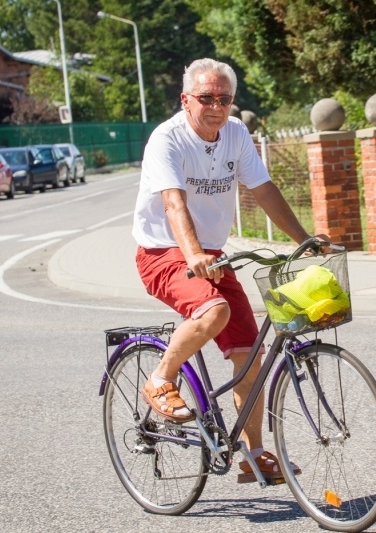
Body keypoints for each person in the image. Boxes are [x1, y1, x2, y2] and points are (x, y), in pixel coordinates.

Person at [132, 58, 327, 482]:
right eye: (206, 98)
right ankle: (161, 379)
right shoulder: (166, 140)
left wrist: (303, 240)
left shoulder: (235, 134)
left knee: (248, 354)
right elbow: (173, 203)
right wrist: (193, 256)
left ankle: (254, 454)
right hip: (163, 252)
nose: (216, 106)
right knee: (213, 311)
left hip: (212, 254)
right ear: (186, 100)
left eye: (225, 98)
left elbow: (263, 189)